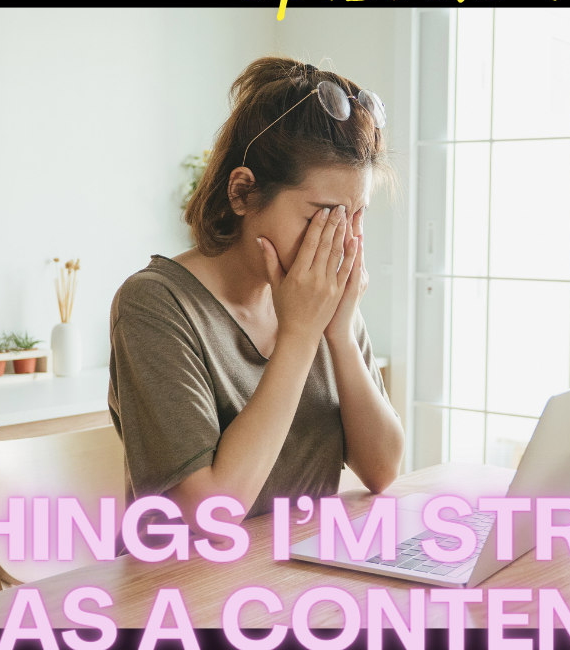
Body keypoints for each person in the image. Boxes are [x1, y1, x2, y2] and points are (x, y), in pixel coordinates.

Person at [107, 57, 404, 529]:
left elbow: (383, 469)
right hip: (189, 590)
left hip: (300, 581)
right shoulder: (154, 304)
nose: (343, 242)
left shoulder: (320, 296)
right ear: (243, 194)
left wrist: (340, 335)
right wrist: (300, 336)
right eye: (322, 216)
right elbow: (208, 517)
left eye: (357, 215)